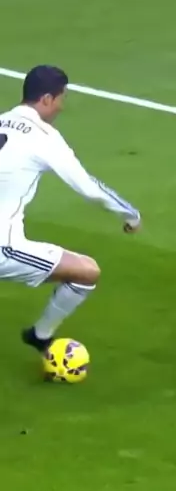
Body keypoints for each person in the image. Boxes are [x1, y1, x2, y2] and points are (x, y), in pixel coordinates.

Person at [0, 65, 141, 352]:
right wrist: (130, 214)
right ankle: (40, 336)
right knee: (87, 272)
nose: (61, 107)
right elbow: (89, 188)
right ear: (47, 99)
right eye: (61, 98)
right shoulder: (43, 137)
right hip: (3, 247)